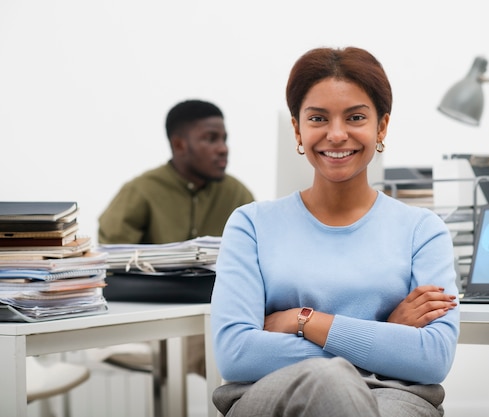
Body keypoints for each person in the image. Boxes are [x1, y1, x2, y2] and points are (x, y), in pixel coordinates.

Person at [211, 47, 460, 417]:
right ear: (297, 128)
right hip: (274, 395)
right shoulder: (251, 225)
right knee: (332, 382)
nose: (337, 134)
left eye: (356, 117)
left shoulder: (423, 230)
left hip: (393, 398)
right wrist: (380, 336)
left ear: (382, 127)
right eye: (318, 118)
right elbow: (236, 354)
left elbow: (433, 358)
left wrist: (304, 320)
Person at [99, 99, 254, 377]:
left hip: (216, 315)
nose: (223, 148)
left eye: (224, 139)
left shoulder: (236, 194)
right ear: (180, 144)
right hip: (155, 322)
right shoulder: (141, 191)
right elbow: (108, 264)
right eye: (211, 139)